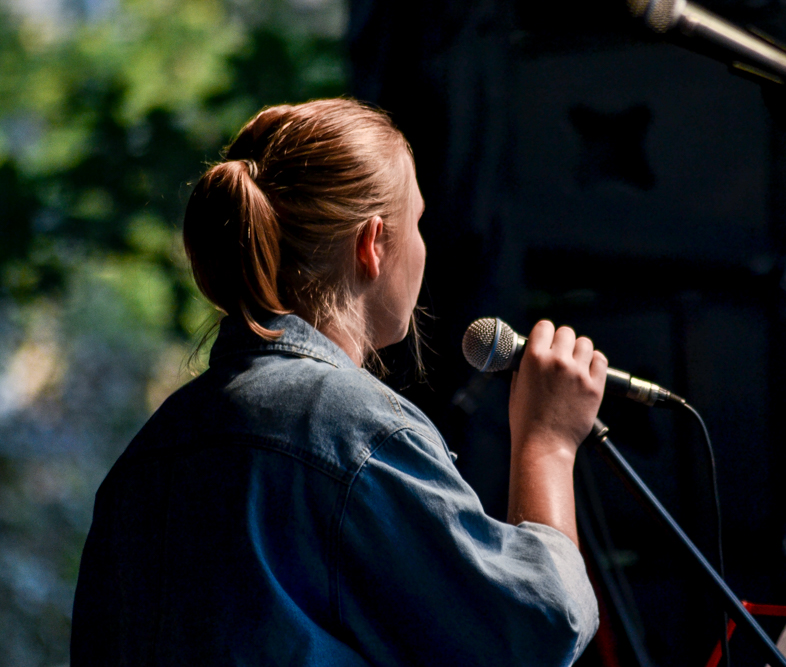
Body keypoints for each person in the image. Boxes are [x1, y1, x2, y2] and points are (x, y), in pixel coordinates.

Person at [71, 98, 607, 666]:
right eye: (417, 222)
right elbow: (539, 631)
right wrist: (547, 442)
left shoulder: (144, 457)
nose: (424, 248)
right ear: (372, 244)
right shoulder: (353, 431)